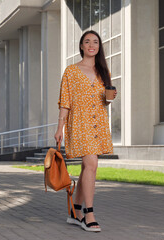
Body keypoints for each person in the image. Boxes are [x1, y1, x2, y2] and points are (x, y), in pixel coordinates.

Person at [54, 30, 116, 232]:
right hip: (79, 124)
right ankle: (88, 213)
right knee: (92, 163)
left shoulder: (103, 72)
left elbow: (103, 102)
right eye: (87, 41)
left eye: (95, 42)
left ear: (99, 47)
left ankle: (74, 210)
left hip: (98, 125)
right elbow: (65, 102)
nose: (91, 45)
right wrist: (59, 127)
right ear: (81, 46)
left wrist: (110, 97)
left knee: (86, 167)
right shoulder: (71, 71)